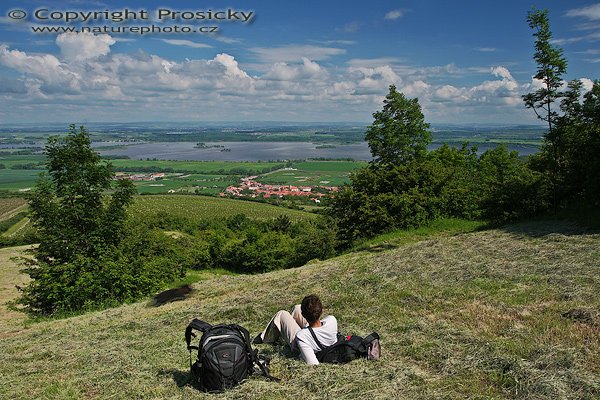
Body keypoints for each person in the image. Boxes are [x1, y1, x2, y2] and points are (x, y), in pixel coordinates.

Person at [253, 294, 337, 365]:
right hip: (315, 335)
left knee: (281, 314)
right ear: (321, 310)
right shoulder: (332, 320)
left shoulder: (301, 335)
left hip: (304, 345)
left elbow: (312, 363)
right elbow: (316, 323)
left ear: (303, 315)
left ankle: (266, 338)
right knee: (297, 308)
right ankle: (287, 327)